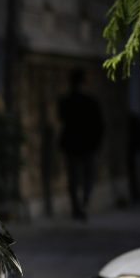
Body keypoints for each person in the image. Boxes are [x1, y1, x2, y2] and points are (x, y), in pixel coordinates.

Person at [57, 68, 105, 220]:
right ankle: (83, 203)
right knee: (87, 176)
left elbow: (62, 119)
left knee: (74, 177)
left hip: (73, 144)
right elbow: (99, 124)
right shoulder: (90, 101)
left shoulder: (66, 101)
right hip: (87, 144)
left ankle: (77, 206)